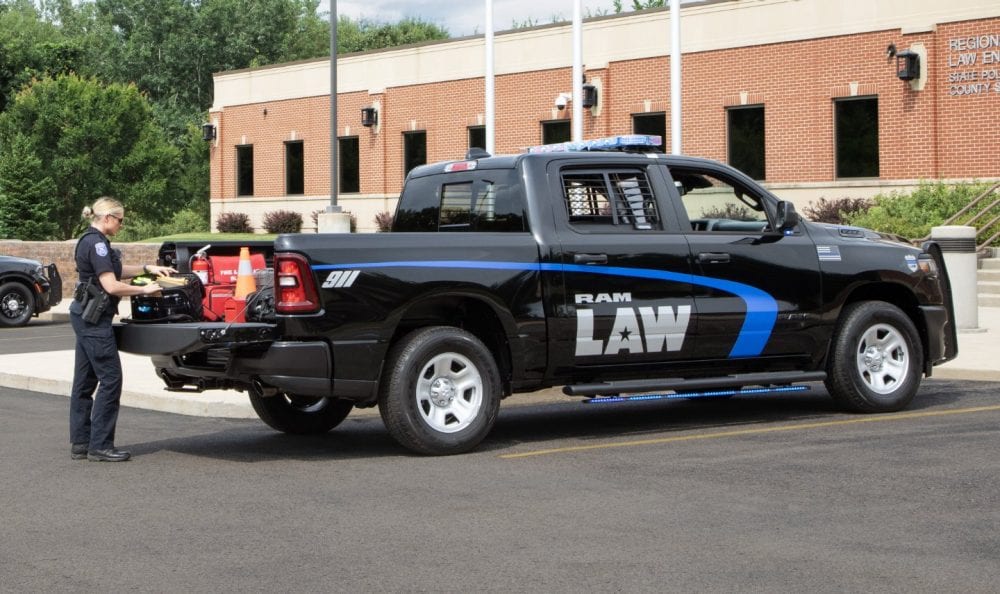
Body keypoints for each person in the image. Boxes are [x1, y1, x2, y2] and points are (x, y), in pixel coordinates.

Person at [69, 197, 176, 462]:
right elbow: (112, 286)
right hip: (94, 320)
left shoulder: (90, 241)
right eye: (120, 219)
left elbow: (113, 270)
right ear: (107, 218)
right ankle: (100, 446)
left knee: (85, 382)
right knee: (110, 379)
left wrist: (147, 268)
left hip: (84, 316)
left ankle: (82, 443)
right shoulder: (97, 245)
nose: (121, 224)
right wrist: (145, 289)